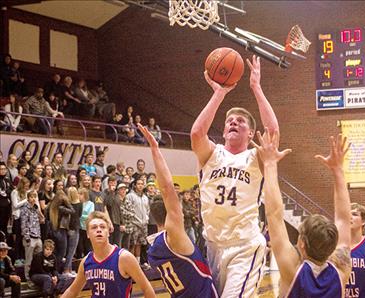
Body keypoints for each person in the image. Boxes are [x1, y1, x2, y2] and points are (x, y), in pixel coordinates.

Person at [190, 55, 278, 297]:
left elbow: (273, 133)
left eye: (240, 121)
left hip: (245, 245)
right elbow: (197, 133)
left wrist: (256, 88)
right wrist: (219, 93)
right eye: (229, 121)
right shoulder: (212, 153)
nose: (233, 123)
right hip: (211, 245)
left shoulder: (254, 157)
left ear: (250, 133)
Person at [252, 130, 351, 297]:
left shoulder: (293, 270)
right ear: (333, 246)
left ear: (302, 243)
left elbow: (274, 214)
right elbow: (343, 219)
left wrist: (269, 163)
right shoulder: (342, 269)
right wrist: (338, 169)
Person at [139, 124, 217, 297]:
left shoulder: (152, 250)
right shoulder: (174, 235)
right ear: (170, 214)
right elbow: (167, 188)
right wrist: (155, 149)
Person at [61, 211, 156, 298]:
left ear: (108, 232)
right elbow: (72, 291)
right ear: (88, 234)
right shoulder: (86, 262)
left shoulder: (124, 257)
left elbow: (147, 289)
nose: (99, 230)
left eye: (102, 227)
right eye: (94, 227)